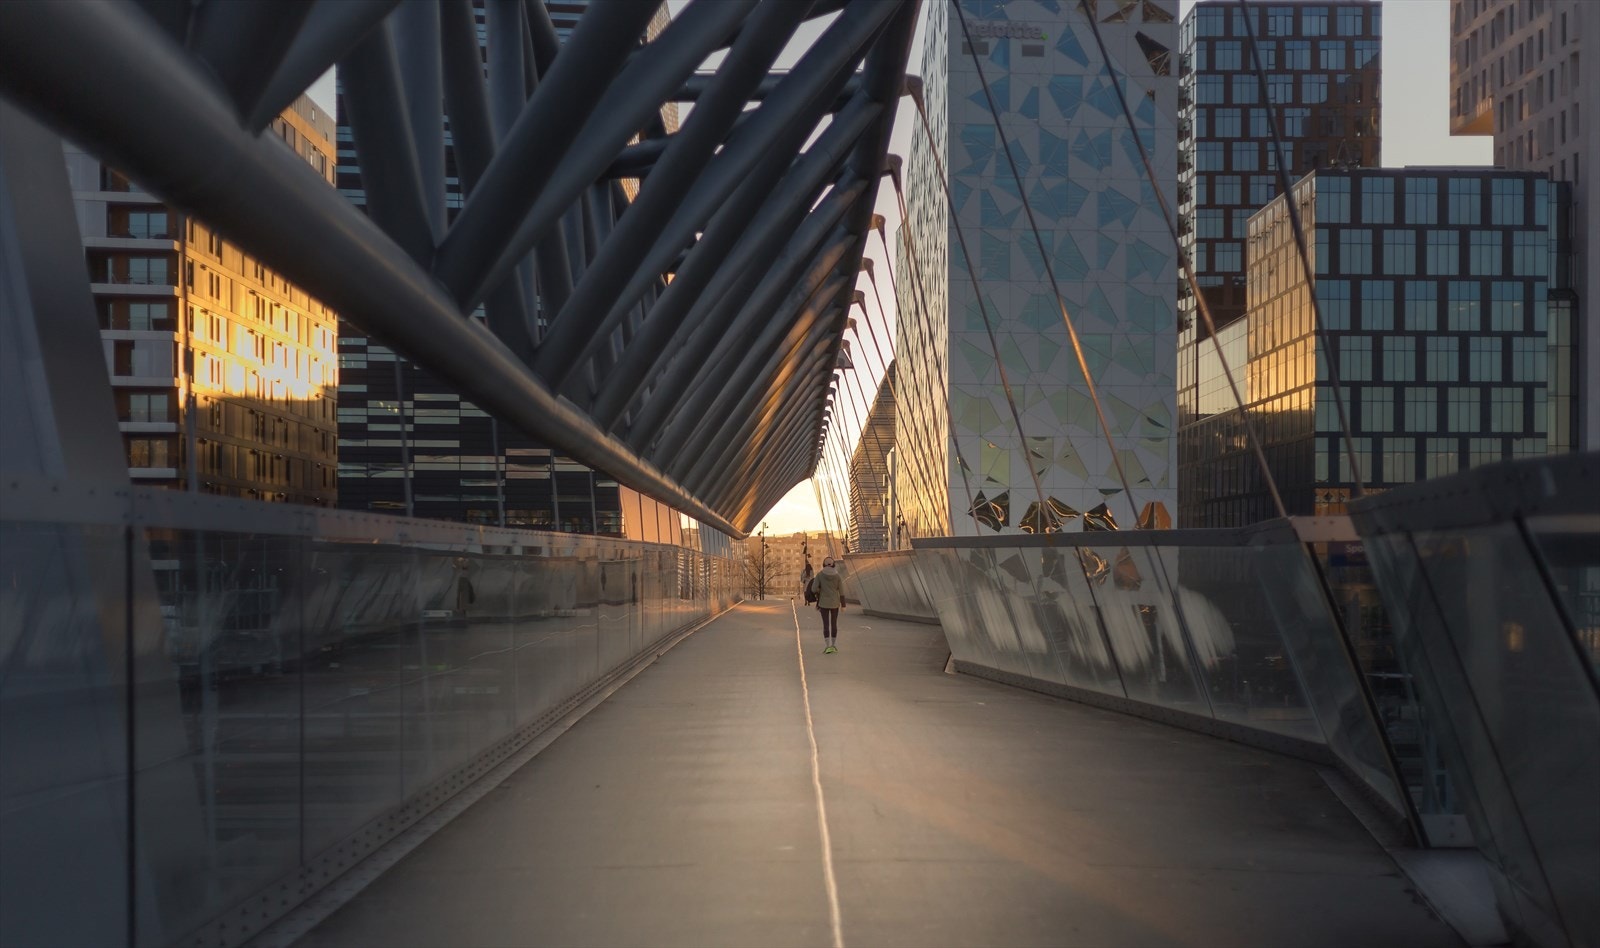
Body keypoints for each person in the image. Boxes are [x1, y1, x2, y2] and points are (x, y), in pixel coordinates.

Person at [806, 557, 845, 653]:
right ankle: (833, 645)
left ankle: (827, 646)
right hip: (835, 603)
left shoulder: (820, 575)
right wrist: (843, 604)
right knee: (834, 624)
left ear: (824, 564)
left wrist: (820, 590)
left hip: (823, 603)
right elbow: (841, 591)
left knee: (826, 624)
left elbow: (813, 589)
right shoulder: (837, 576)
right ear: (833, 564)